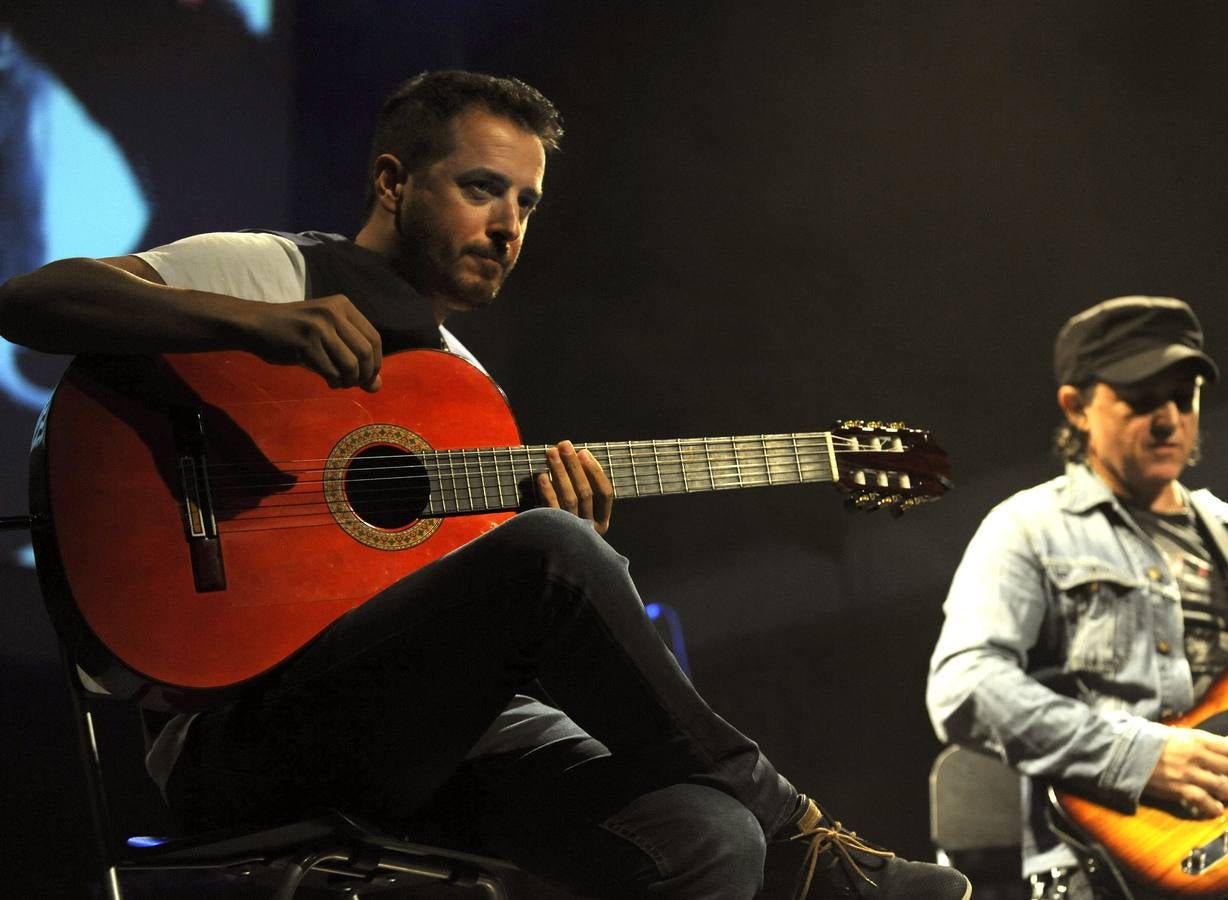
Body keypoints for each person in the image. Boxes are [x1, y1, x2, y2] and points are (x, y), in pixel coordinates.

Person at [0, 70, 970, 900]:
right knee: (554, 555)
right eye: (480, 188)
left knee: (708, 835)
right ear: (393, 180)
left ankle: (780, 840)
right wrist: (254, 326)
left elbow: (450, 623)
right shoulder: (270, 271)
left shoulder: (468, 391)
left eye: (527, 203)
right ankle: (818, 854)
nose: (508, 225)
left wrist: (575, 552)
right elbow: (29, 304)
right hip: (244, 735)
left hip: (423, 747)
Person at [925, 295, 1228, 898]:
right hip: (1113, 864)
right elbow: (964, 683)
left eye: (1182, 397)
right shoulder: (1027, 527)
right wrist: (1140, 756)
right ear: (1076, 407)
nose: (1168, 420)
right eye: (1139, 399)